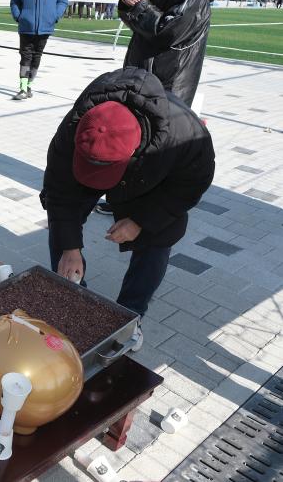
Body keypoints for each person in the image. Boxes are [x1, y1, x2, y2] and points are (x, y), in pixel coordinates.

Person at [40, 67, 215, 349]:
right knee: (62, 227)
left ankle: (129, 317)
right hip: (103, 163)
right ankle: (71, 303)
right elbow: (60, 193)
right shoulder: (74, 127)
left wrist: (140, 221)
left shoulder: (184, 134)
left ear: (134, 151)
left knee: (160, 236)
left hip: (152, 178)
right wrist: (70, 247)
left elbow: (192, 185)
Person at [119, 0, 216, 108]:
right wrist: (129, 4)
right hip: (144, 81)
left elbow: (166, 32)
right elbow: (143, 28)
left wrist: (141, 5)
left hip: (167, 91)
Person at [9, 0, 67, 101]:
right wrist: (18, 16)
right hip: (26, 26)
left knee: (37, 56)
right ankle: (22, 88)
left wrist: (55, 15)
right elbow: (14, 0)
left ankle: (29, 85)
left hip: (46, 27)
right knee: (25, 56)